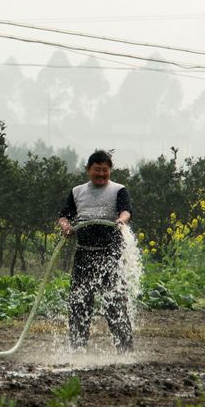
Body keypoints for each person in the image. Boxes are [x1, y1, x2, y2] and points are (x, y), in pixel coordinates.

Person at [57, 149, 134, 352]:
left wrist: (121, 220)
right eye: (97, 170)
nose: (101, 174)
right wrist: (65, 226)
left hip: (111, 255)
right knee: (79, 303)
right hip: (84, 254)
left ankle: (125, 351)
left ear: (110, 171)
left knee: (114, 304)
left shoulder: (119, 190)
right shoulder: (77, 192)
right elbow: (64, 216)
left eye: (105, 171)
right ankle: (78, 349)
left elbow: (126, 211)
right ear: (88, 170)